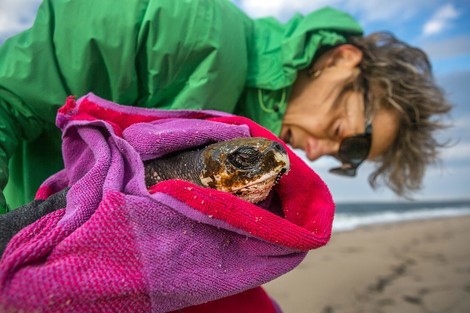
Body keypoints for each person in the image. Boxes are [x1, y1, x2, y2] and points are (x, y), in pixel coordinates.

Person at [0, 0, 450, 213]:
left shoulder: (251, 152)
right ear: (342, 60)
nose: (317, 152)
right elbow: (9, 95)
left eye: (346, 159)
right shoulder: (180, 20)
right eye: (350, 138)